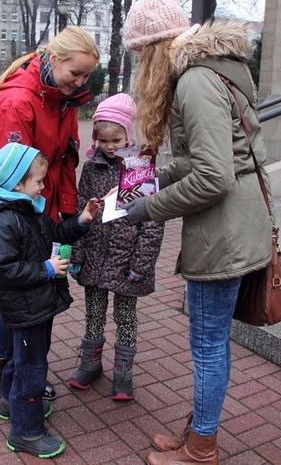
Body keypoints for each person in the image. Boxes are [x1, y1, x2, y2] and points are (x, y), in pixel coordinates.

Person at [120, 0, 274, 463]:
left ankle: (202, 445)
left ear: (154, 48)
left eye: (139, 56)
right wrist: (156, 175)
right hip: (234, 222)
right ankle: (198, 430)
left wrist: (146, 208)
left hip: (222, 231)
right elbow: (215, 157)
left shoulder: (194, 81)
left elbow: (214, 176)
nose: (140, 68)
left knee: (208, 344)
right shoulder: (213, 70)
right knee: (211, 340)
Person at [0, 26, 99, 402]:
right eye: (75, 73)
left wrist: (67, 212)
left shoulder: (60, 97)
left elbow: (62, 159)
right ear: (53, 59)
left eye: (86, 76)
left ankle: (14, 371)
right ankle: (5, 374)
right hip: (21, 211)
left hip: (40, 207)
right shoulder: (19, 101)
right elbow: (13, 174)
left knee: (29, 296)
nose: (79, 82)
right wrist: (37, 221)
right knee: (21, 296)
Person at [0, 142, 101, 458]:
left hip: (36, 303)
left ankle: (10, 401)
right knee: (32, 368)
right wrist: (46, 268)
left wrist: (82, 221)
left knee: (25, 358)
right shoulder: (1, 221)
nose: (43, 187)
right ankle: (26, 431)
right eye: (38, 181)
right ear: (17, 183)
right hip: (25, 305)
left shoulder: (27, 209)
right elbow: (4, 269)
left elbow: (55, 232)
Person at [67, 93, 164, 400]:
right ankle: (90, 363)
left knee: (125, 316)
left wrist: (141, 264)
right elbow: (82, 209)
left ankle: (123, 371)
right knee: (93, 312)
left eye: (116, 139)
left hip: (127, 260)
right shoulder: (92, 166)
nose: (110, 146)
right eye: (103, 140)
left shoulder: (140, 167)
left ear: (128, 133)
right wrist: (78, 254)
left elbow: (152, 220)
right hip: (95, 254)